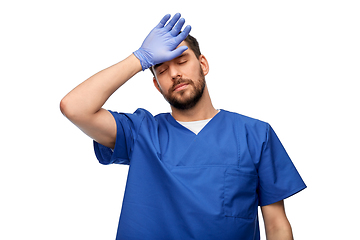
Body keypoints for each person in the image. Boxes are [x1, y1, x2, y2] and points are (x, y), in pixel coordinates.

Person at [60, 13, 306, 240]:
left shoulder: (255, 134)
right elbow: (74, 107)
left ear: (203, 64)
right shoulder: (141, 133)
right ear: (157, 86)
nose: (174, 74)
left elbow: (276, 225)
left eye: (182, 61)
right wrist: (140, 59)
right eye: (163, 70)